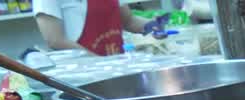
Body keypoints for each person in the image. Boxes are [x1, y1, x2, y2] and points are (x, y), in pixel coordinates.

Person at [32, 0, 167, 56]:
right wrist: (99, 63)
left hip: (117, 66)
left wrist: (152, 26)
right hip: (83, 75)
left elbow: (129, 21)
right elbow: (55, 40)